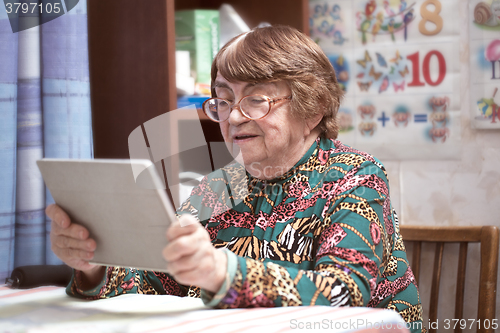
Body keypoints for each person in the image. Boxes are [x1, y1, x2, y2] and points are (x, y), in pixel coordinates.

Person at [47, 25, 424, 332]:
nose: (234, 117)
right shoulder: (216, 187)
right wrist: (92, 262)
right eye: (224, 100)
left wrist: (219, 270)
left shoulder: (356, 176)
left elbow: (344, 292)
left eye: (257, 99)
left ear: (314, 108)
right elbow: (158, 280)